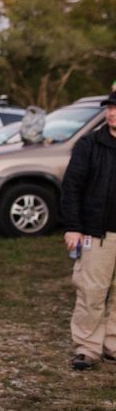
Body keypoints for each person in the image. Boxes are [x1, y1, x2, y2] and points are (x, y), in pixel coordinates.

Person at [60, 90, 116, 371]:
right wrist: (73, 226)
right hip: (97, 233)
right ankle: (88, 348)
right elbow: (71, 188)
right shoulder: (89, 145)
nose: (112, 113)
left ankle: (113, 345)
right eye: (110, 108)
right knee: (92, 293)